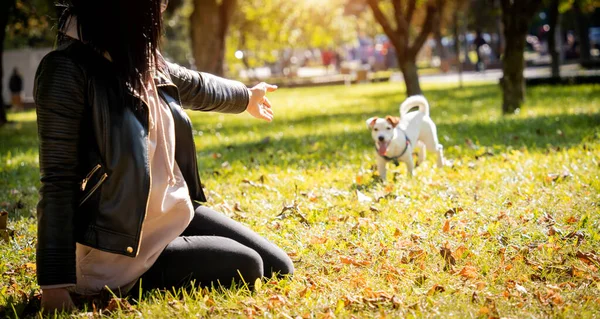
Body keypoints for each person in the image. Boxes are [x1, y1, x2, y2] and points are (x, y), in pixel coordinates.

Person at [35, 0, 293, 313]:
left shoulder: (136, 55)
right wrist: (54, 288)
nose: (164, 5)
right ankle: (120, 283)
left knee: (280, 267)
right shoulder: (66, 70)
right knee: (249, 266)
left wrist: (247, 97)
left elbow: (195, 85)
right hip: (116, 251)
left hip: (168, 215)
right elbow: (57, 182)